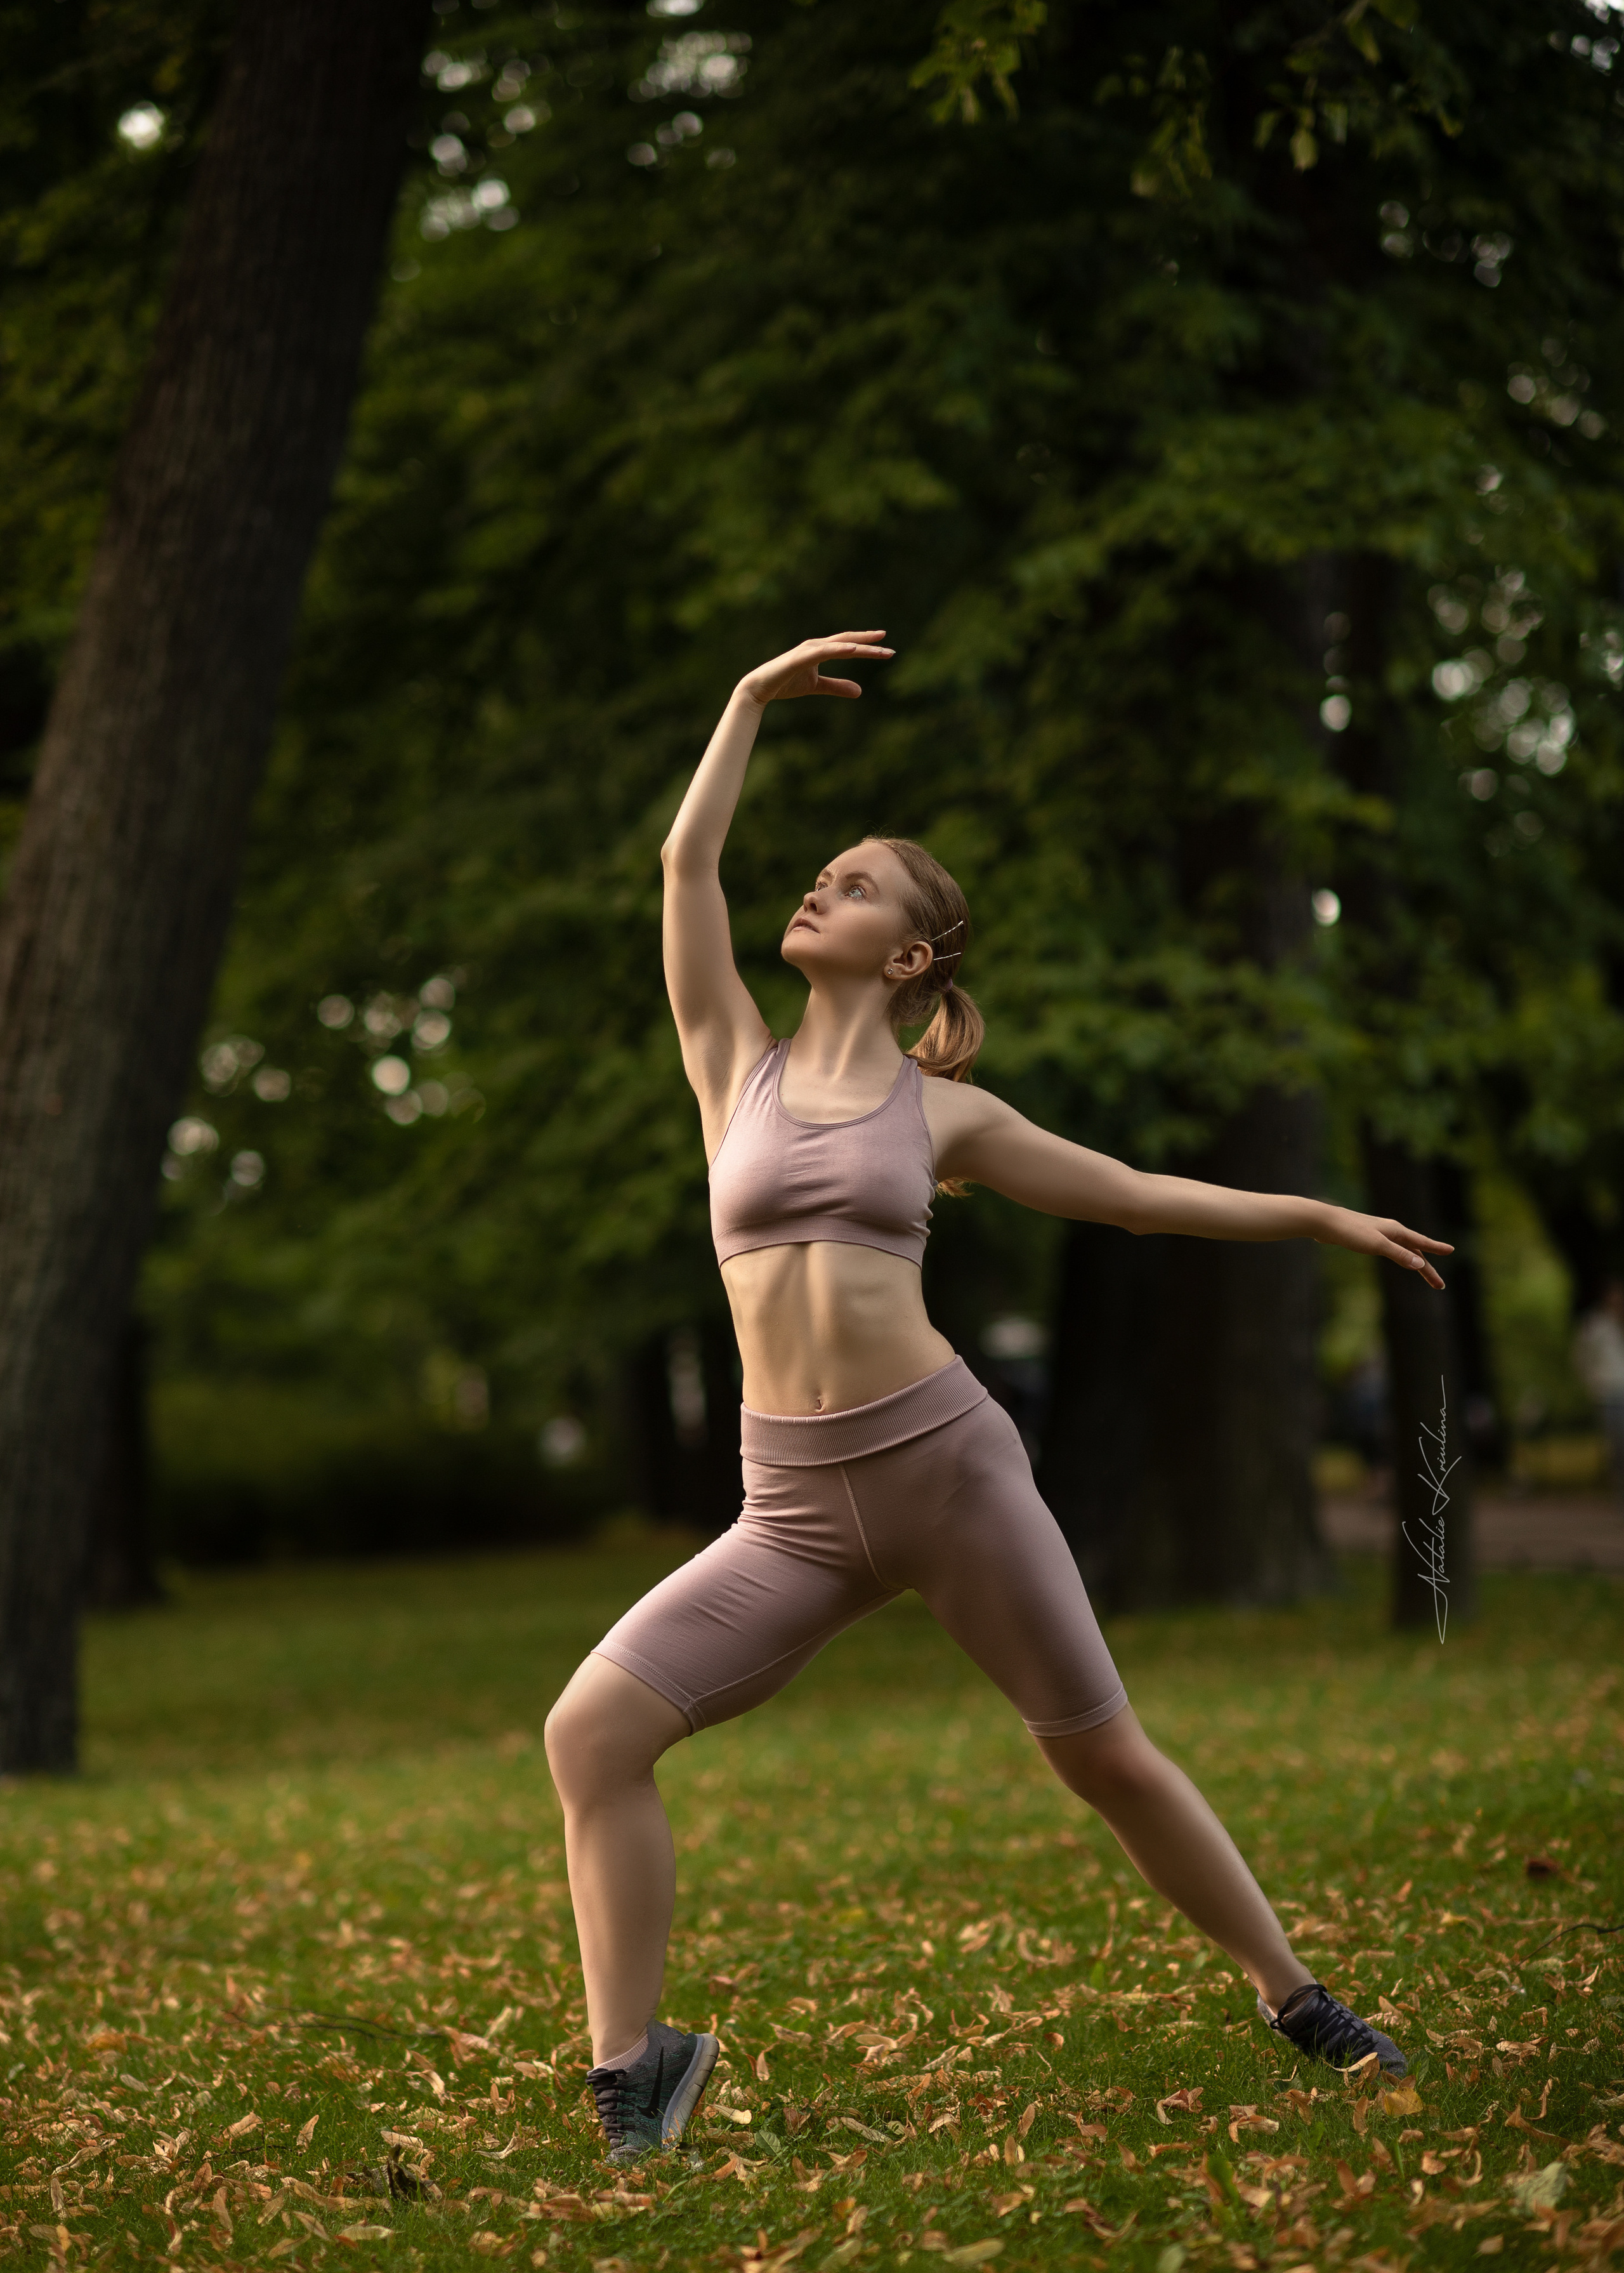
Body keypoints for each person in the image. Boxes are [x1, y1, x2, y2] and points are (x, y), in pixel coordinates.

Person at [544, 631, 1453, 2161]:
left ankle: (1299, 2000)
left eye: (852, 883)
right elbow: (682, 868)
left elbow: (1129, 1195)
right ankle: (636, 2073)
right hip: (788, 1510)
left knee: (1098, 1752)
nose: (814, 888)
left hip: (946, 1472)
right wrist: (745, 703)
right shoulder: (732, 1066)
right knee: (589, 1734)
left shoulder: (942, 1109)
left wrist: (1314, 1214)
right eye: (819, 873)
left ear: (909, 957)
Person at [1573, 1278, 1624, 1505]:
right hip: (1610, 1394)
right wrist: (1594, 1385)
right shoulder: (1594, 1325)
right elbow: (1581, 1358)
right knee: (1618, 1445)